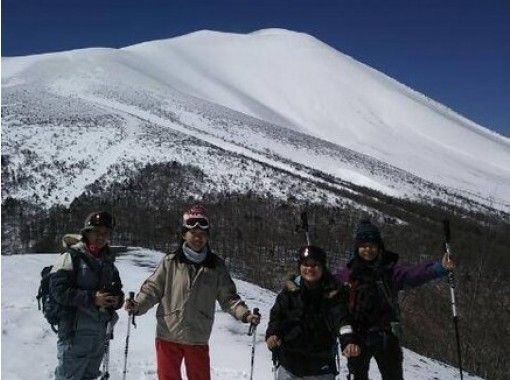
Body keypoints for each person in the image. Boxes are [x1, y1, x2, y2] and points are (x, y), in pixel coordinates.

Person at [124, 204, 261, 380]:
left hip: (197, 335)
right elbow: (152, 289)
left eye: (203, 234)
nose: (198, 238)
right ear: (184, 235)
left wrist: (245, 315)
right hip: (168, 334)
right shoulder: (171, 262)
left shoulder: (216, 266)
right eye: (193, 234)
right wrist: (138, 305)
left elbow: (228, 298)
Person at [336, 219, 455, 380]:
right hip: (357, 336)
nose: (368, 250)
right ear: (357, 247)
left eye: (372, 245)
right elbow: (327, 285)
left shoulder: (389, 270)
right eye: (363, 246)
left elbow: (413, 274)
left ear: (379, 247)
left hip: (385, 335)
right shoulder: (348, 273)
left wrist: (439, 268)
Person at [265, 245, 360, 380]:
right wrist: (272, 334)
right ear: (300, 266)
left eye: (315, 265)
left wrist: (348, 341)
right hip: (288, 365)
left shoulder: (333, 294)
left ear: (322, 267)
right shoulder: (290, 292)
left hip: (320, 367)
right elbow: (276, 317)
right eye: (305, 265)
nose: (309, 269)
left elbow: (342, 321)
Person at [50, 211, 124, 380]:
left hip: (99, 334)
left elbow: (118, 290)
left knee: (89, 376)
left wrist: (116, 300)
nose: (101, 237)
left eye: (105, 233)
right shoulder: (71, 257)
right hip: (74, 335)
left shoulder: (108, 262)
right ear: (87, 233)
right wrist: (92, 298)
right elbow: (59, 292)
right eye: (96, 232)